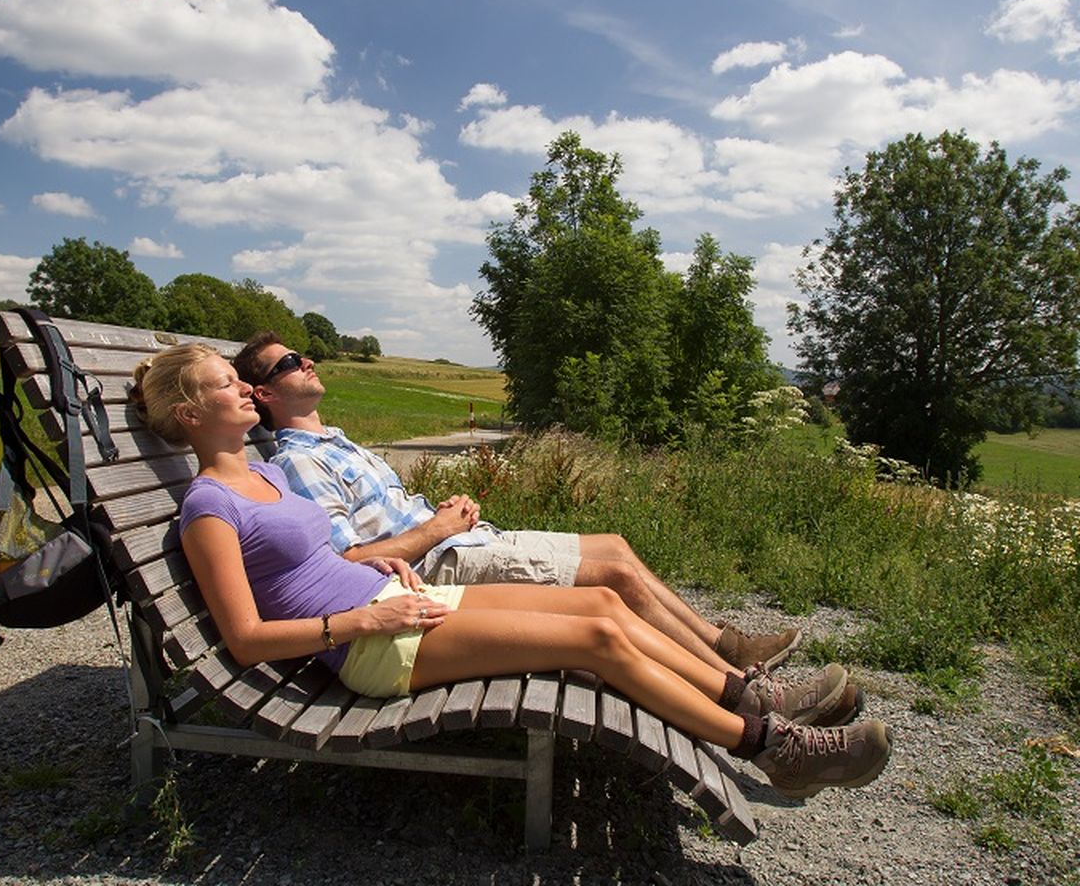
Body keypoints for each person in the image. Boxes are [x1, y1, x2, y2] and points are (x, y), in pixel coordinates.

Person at [128, 342, 893, 800]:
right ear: (192, 417)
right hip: (371, 646)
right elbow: (248, 637)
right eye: (227, 383)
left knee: (600, 602)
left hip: (398, 600)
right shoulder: (207, 505)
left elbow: (317, 559)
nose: (243, 387)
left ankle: (745, 691)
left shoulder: (264, 478)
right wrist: (365, 617)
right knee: (593, 643)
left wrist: (391, 570)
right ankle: (773, 748)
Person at [232, 334, 817, 680]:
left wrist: (446, 512)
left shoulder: (336, 440)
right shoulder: (299, 462)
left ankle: (722, 644)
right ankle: (738, 682)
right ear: (265, 393)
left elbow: (387, 517)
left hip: (456, 541)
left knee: (614, 545)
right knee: (612, 576)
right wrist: (439, 528)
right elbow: (351, 559)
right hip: (436, 571)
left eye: (303, 355)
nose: (306, 362)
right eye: (289, 363)